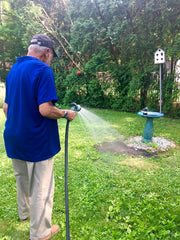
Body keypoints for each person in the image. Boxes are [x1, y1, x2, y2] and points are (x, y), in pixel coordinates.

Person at [3, 34, 76, 240]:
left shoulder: (14, 70)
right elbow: (45, 109)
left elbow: (6, 107)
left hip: (14, 138)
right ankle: (41, 233)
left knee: (23, 181)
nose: (51, 59)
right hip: (37, 142)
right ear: (46, 52)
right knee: (41, 190)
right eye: (52, 55)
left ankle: (25, 214)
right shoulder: (43, 70)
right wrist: (65, 113)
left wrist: (19, 125)